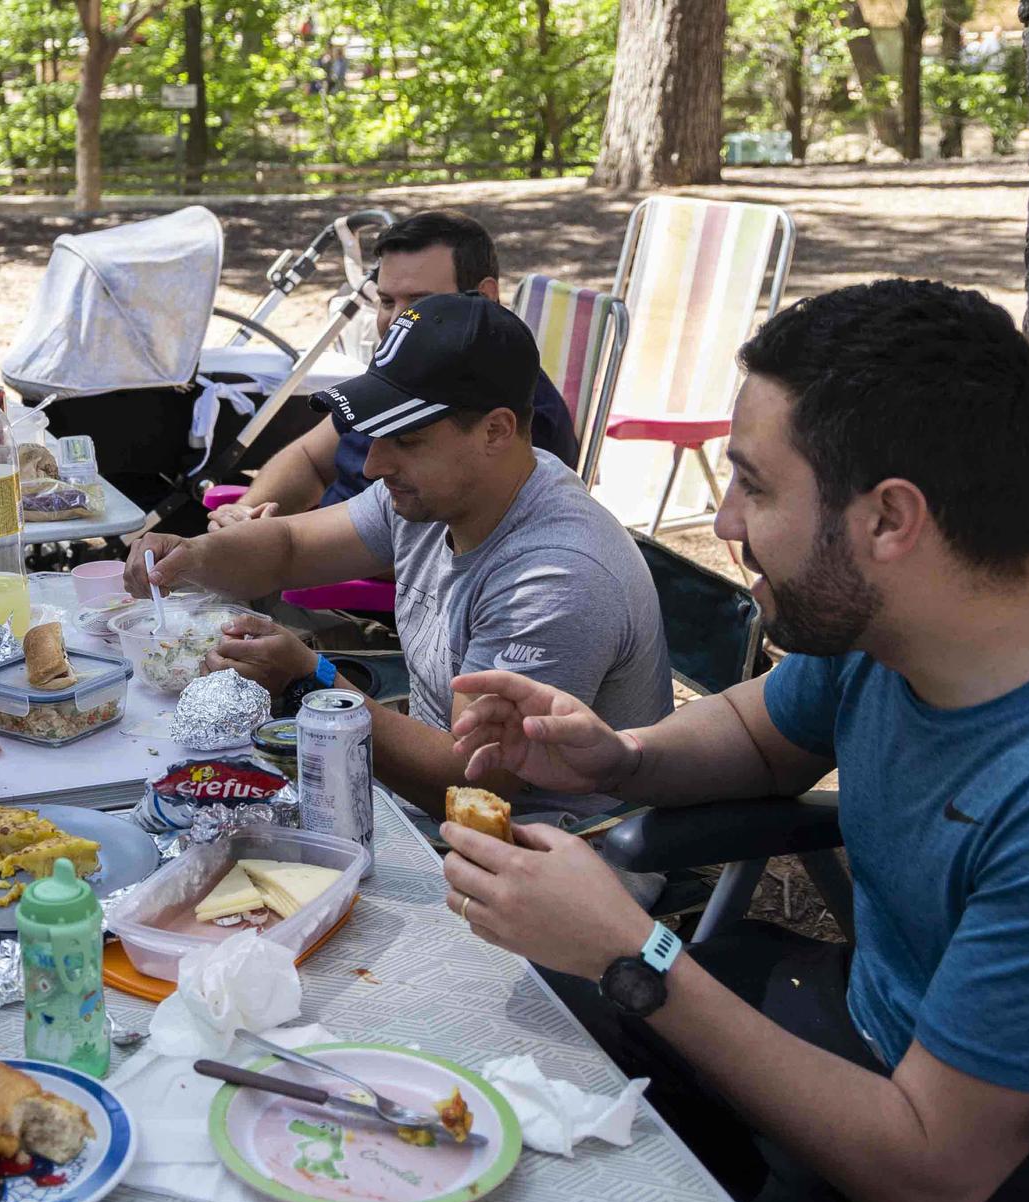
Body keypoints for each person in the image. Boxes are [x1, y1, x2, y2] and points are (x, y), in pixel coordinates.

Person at [441, 280, 1029, 1202]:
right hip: (851, 1031)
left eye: (752, 487)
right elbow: (754, 733)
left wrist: (632, 955)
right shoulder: (928, 608)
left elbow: (928, 1173)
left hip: (987, 1196)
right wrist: (612, 753)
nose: (722, 521)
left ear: (887, 519)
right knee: (479, 1051)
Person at [125, 293, 670, 823]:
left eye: (406, 439)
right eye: (376, 435)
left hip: (547, 850)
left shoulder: (555, 577)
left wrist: (311, 682)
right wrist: (191, 554)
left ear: (496, 430)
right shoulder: (447, 493)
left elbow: (473, 786)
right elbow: (290, 547)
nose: (373, 465)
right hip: (422, 802)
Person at [209, 209, 578, 530]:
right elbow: (311, 459)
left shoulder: (502, 419)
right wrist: (247, 511)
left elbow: (426, 548)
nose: (397, 321)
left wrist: (279, 540)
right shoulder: (399, 371)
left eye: (421, 303)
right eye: (387, 301)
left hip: (359, 594)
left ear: (484, 297)